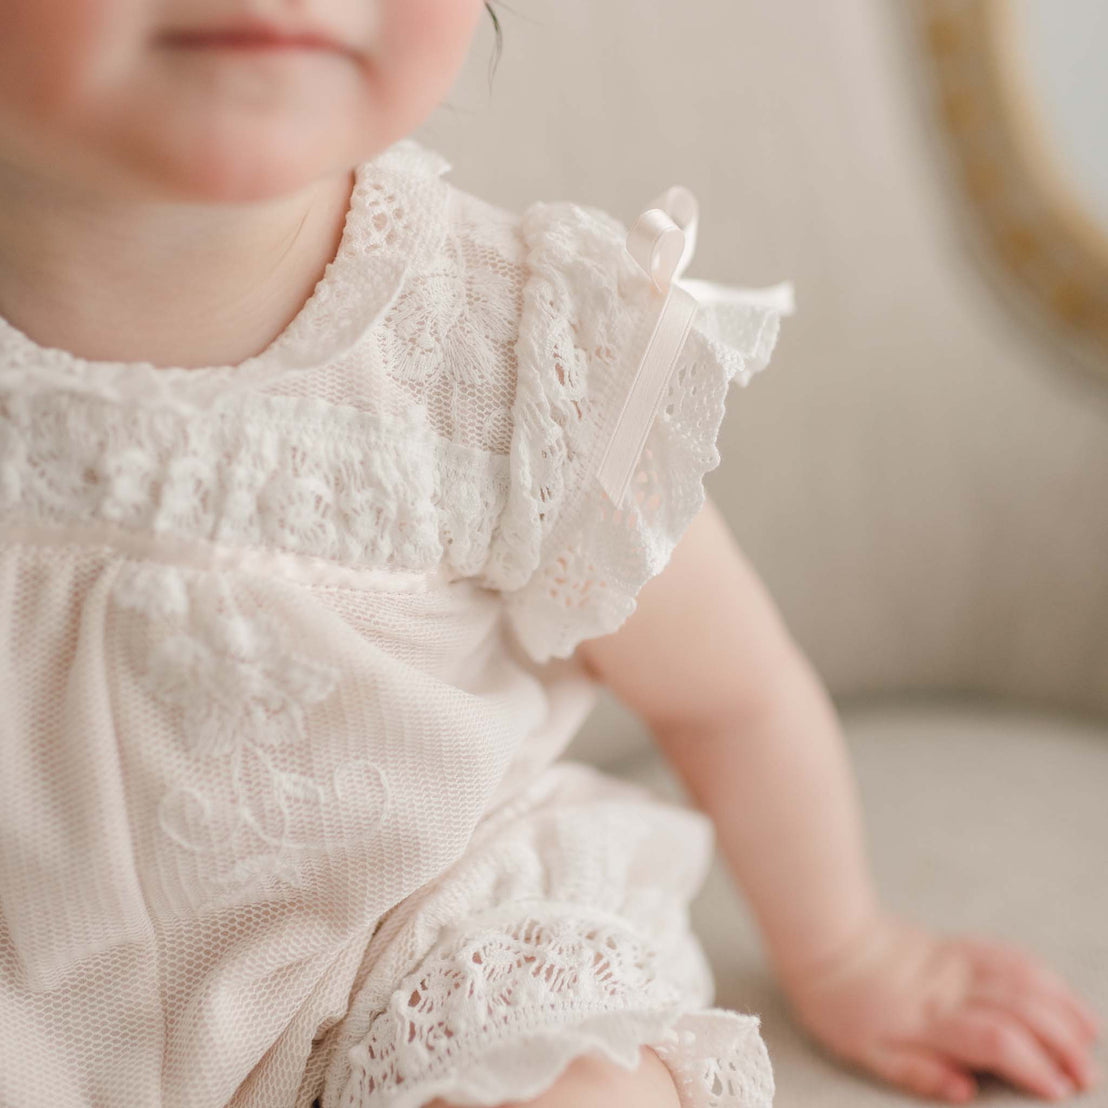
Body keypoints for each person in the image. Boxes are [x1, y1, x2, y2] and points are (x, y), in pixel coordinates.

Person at [0, 2, 1100, 1106]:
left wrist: (852, 952)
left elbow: (732, 692)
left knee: (578, 1079)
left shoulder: (507, 340)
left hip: (416, 947)